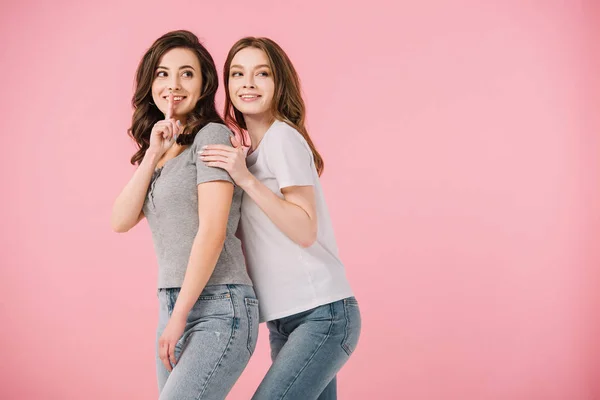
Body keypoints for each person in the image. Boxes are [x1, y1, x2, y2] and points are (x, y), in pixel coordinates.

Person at [199, 36, 361, 400]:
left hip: (322, 313)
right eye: (238, 74)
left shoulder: (283, 139)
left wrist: (245, 179)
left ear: (279, 83)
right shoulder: (250, 154)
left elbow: (304, 229)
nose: (248, 83)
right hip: (286, 319)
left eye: (262, 74)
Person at [110, 30, 258, 400]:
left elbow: (212, 231)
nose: (173, 84)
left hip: (219, 304)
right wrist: (151, 153)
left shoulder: (212, 136)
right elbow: (121, 220)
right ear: (150, 82)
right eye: (162, 73)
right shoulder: (161, 147)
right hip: (173, 302)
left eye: (186, 73)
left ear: (204, 83)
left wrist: (180, 318)